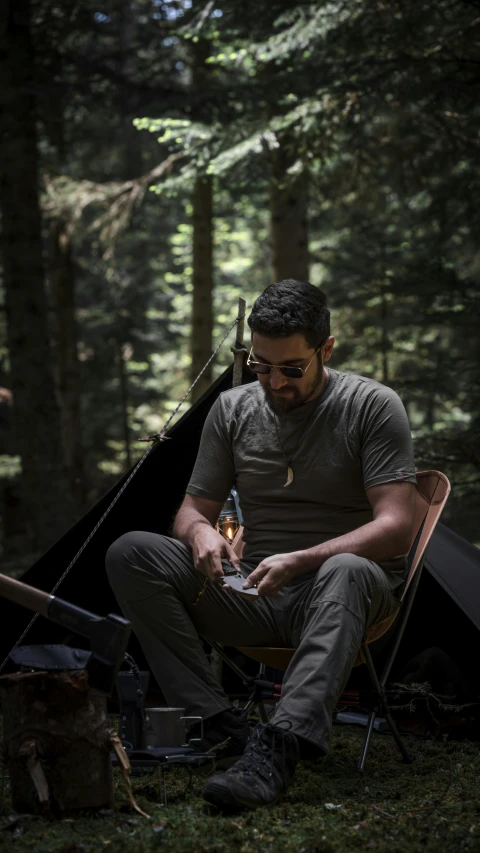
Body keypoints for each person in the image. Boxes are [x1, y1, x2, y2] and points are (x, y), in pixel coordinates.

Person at [106, 279, 416, 810]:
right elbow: (190, 511)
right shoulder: (232, 410)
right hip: (256, 590)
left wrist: (305, 559)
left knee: (344, 567)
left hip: (344, 597)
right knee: (132, 551)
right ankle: (218, 723)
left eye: (291, 368)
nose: (274, 382)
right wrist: (201, 533)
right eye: (262, 366)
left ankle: (279, 746)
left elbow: (398, 525)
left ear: (327, 350)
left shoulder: (371, 405)